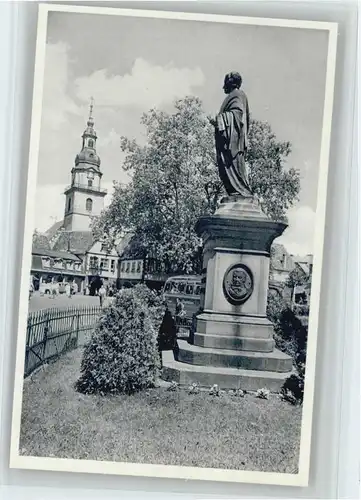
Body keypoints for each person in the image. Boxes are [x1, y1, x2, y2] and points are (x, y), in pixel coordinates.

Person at [209, 71, 252, 198]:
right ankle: (236, 192)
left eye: (225, 83)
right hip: (230, 139)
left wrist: (218, 119)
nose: (223, 86)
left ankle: (241, 192)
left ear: (230, 83)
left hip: (233, 141)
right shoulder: (235, 95)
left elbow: (237, 115)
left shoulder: (237, 94)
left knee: (235, 168)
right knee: (228, 171)